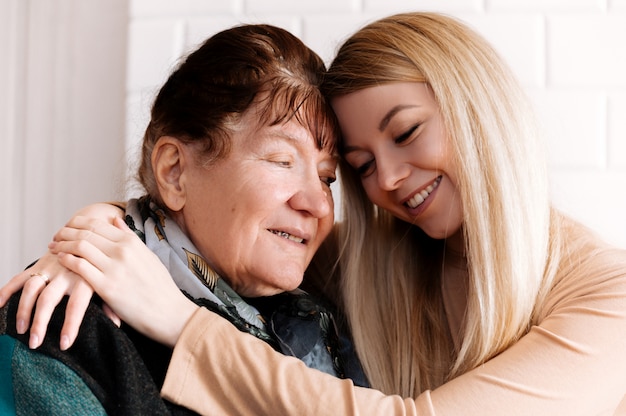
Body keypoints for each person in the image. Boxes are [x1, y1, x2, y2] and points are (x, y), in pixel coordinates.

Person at [4, 11, 626, 415]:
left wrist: (177, 320)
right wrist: (99, 239)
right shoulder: (370, 264)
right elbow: (203, 230)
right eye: (356, 166)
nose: (386, 180)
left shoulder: (610, 299)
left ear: (481, 108)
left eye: (406, 132)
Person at [0, 23, 368, 415]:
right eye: (282, 161)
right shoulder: (60, 319)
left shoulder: (322, 321)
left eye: (327, 178)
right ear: (175, 171)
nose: (319, 204)